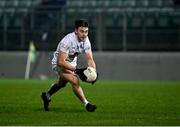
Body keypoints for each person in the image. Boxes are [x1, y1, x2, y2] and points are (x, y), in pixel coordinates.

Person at [41, 19, 97, 112]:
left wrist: (93, 72)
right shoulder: (67, 41)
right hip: (59, 64)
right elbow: (61, 62)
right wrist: (77, 70)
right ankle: (86, 104)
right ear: (76, 30)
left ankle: (46, 95)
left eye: (86, 31)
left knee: (61, 84)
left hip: (71, 63)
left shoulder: (86, 40)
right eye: (82, 31)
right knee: (75, 80)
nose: (84, 34)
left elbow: (90, 59)